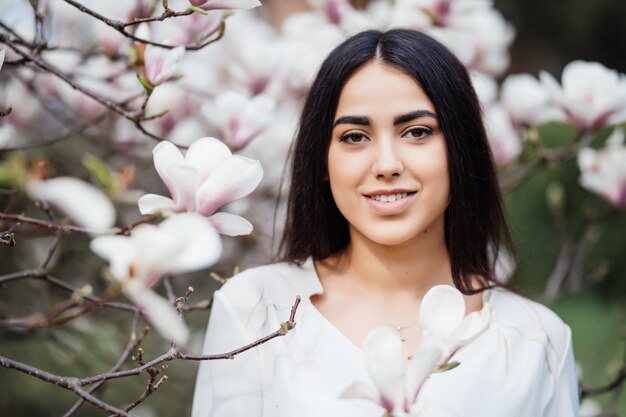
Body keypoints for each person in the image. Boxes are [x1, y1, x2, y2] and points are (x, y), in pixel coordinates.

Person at [191, 29, 579, 417]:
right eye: (355, 137)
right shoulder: (256, 312)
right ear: (322, 162)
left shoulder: (536, 342)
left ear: (461, 150)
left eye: (417, 132)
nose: (387, 165)